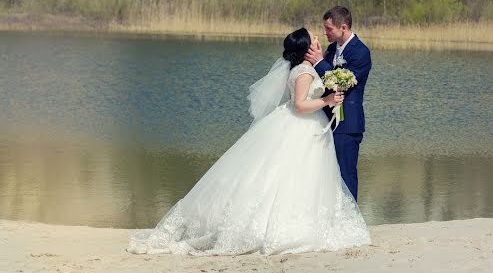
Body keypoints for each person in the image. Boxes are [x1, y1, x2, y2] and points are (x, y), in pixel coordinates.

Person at [127, 28, 370, 256]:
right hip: (303, 124)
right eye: (314, 37)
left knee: (291, 173)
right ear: (307, 48)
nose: (319, 39)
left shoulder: (303, 68)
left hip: (302, 124)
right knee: (296, 174)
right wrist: (327, 100)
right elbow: (299, 104)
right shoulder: (305, 72)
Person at [306, 6, 371, 201]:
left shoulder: (361, 52)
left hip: (348, 123)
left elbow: (342, 83)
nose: (325, 32)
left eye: (329, 29)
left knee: (346, 173)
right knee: (327, 172)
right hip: (326, 119)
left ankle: (351, 221)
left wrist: (319, 62)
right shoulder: (333, 48)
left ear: (343, 27)